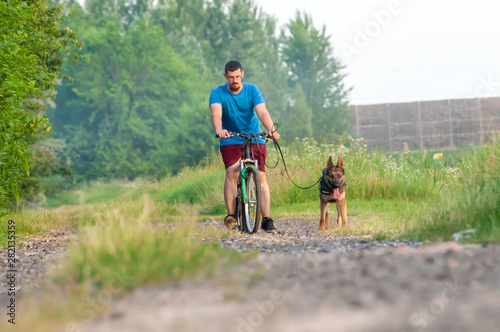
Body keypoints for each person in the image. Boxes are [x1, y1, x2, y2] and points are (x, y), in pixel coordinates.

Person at [209, 60, 280, 234]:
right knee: (232, 172)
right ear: (225, 76)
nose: (235, 80)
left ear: (243, 74)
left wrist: (271, 130)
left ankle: (266, 219)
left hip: (254, 136)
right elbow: (216, 113)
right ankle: (231, 215)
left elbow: (262, 111)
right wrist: (220, 130)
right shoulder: (217, 93)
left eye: (238, 77)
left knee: (261, 176)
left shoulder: (252, 90)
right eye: (231, 77)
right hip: (231, 138)